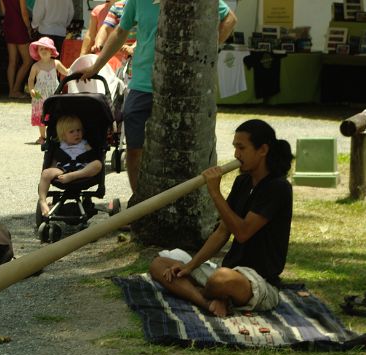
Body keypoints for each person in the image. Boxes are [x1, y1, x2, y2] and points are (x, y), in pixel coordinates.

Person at [80, 0, 237, 193]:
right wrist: (96, 66)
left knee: (177, 150)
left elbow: (229, 18)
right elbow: (121, 31)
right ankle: (139, 203)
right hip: (141, 83)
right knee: (134, 147)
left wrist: (207, 50)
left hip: (180, 86)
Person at [149, 119, 293, 317]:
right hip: (229, 269)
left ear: (263, 150)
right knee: (159, 264)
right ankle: (209, 301)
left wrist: (215, 193)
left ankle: (209, 294)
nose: (236, 155)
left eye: (241, 148)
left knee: (220, 280)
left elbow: (242, 233)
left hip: (259, 282)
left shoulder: (278, 188)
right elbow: (222, 232)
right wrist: (189, 267)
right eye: (235, 147)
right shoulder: (243, 182)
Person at [38, 115, 102, 216]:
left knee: (97, 164)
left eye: (79, 130)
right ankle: (42, 200)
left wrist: (91, 154)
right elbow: (54, 163)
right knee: (46, 173)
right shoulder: (59, 146)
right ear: (63, 136)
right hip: (63, 169)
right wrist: (52, 172)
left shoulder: (85, 144)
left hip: (82, 168)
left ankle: (73, 175)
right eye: (71, 132)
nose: (76, 134)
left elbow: (93, 157)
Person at [28, 36, 68, 144]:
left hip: (53, 93)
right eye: (41, 49)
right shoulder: (35, 66)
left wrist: (75, 71)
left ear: (51, 51)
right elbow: (31, 79)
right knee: (41, 115)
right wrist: (31, 89)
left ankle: (56, 135)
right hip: (40, 95)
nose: (44, 51)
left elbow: (66, 72)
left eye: (46, 48)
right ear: (37, 52)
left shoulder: (56, 63)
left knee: (55, 115)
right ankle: (42, 136)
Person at [0, 0, 32, 99]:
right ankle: (16, 89)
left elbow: (4, 12)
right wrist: (29, 28)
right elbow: (24, 13)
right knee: (28, 61)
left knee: (12, 61)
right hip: (19, 25)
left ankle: (11, 91)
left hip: (8, 24)